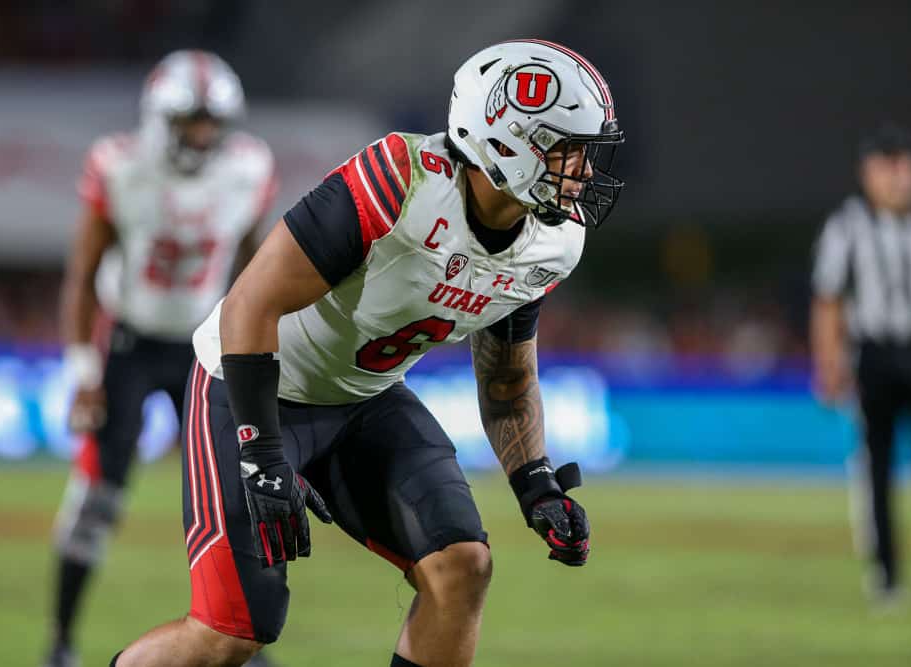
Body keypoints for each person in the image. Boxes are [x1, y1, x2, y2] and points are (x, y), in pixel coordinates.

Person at [110, 38, 625, 667]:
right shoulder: (399, 182)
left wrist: (536, 484)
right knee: (233, 631)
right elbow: (249, 306)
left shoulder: (552, 242)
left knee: (462, 567)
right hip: (252, 386)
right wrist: (262, 454)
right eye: (568, 151)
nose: (585, 172)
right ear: (508, 143)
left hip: (364, 398)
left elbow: (506, 381)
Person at [43, 50, 277, 667]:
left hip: (204, 343)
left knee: (239, 493)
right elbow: (83, 272)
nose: (202, 136)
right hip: (127, 343)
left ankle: (242, 635)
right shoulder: (120, 166)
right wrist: (82, 374)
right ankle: (61, 641)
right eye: (188, 122)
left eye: (210, 123)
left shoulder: (248, 169)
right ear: (157, 119)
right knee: (97, 498)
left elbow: (259, 272)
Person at [811, 123, 911, 605]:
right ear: (868, 173)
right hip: (874, 354)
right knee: (876, 468)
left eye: (902, 165)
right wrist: (828, 362)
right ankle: (887, 575)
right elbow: (828, 300)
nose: (896, 178)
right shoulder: (848, 226)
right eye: (885, 167)